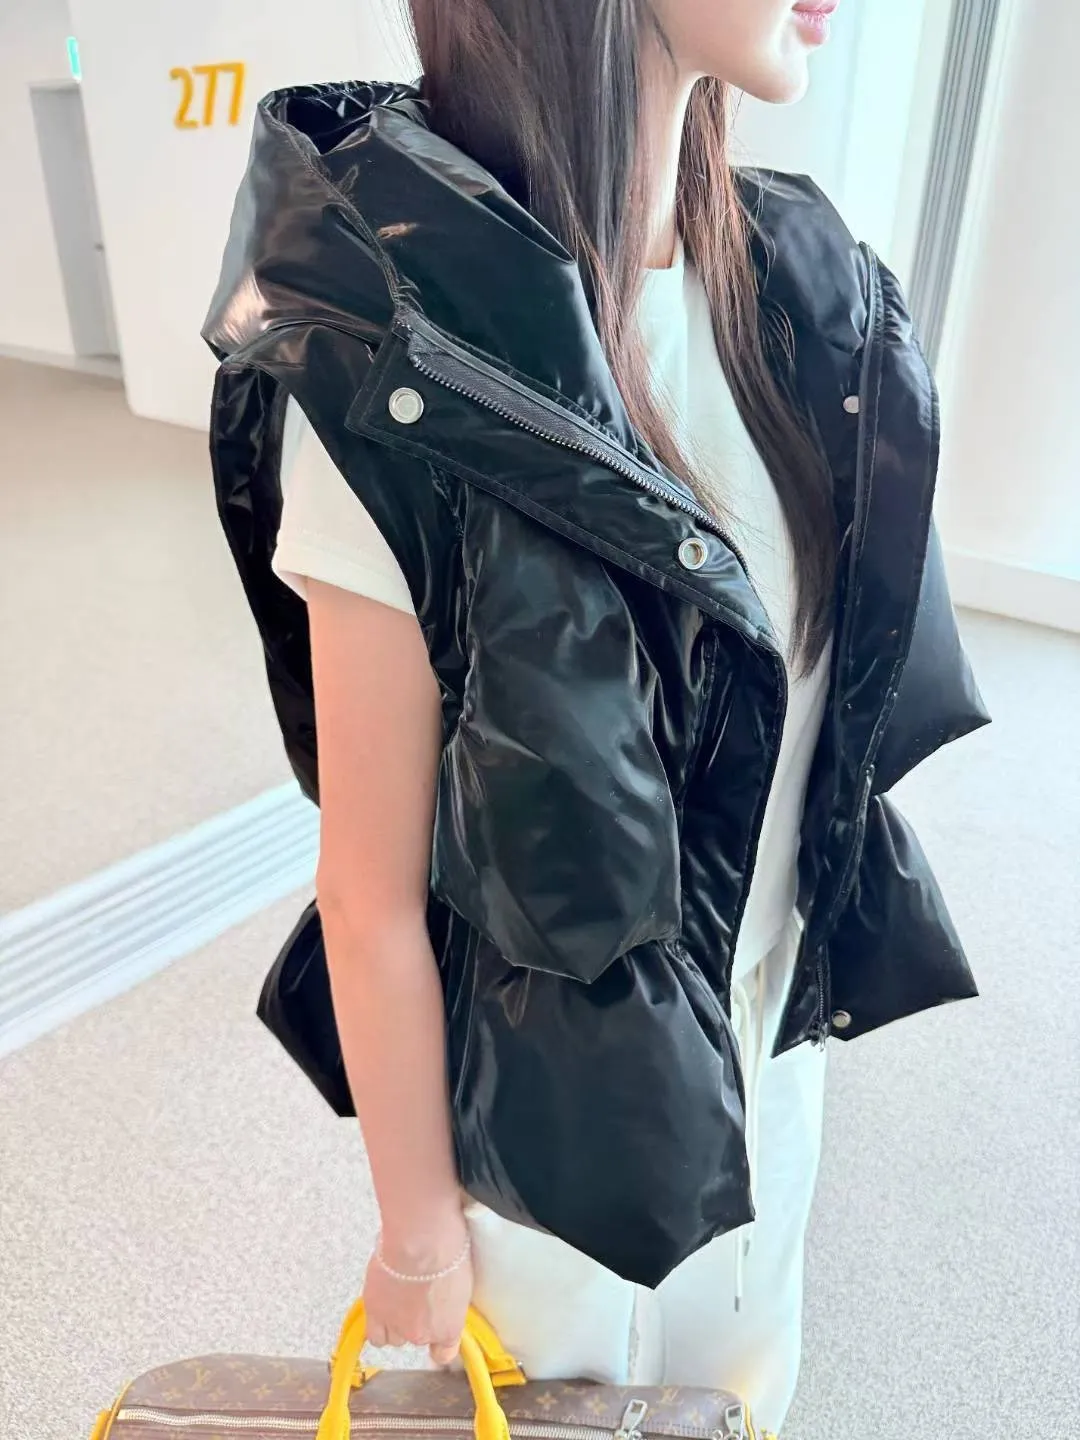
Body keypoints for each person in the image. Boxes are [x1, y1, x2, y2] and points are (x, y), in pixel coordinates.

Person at [204, 0, 989, 1431]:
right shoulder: (395, 358)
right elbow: (369, 894)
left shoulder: (813, 307)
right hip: (545, 1156)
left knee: (739, 1406)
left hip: (768, 1067)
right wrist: (418, 1234)